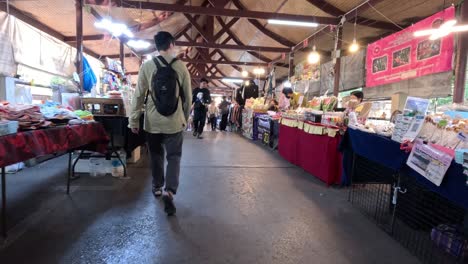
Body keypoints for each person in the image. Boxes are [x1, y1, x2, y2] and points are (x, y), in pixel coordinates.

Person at [128, 31, 192, 216]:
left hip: (152, 122)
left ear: (156, 46)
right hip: (174, 122)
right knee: (174, 157)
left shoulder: (147, 66)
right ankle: (169, 190)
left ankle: (157, 186)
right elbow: (187, 97)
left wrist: (134, 119)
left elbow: (138, 95)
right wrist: (184, 118)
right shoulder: (181, 67)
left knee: (156, 155)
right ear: (171, 45)